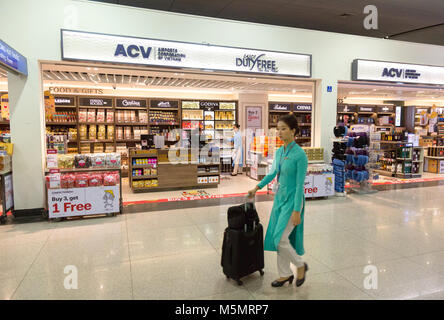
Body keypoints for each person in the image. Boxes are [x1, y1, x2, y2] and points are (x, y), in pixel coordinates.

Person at [248, 113, 308, 288]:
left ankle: (299, 265)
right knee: (280, 238)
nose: (279, 133)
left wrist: (297, 210)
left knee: (280, 238)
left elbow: (299, 186)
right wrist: (256, 187)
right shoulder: (280, 151)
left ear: (293, 131)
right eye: (278, 129)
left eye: (283, 129)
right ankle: (284, 274)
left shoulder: (300, 155)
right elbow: (273, 173)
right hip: (279, 199)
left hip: (293, 201)